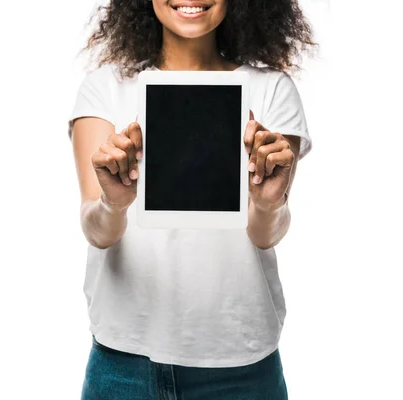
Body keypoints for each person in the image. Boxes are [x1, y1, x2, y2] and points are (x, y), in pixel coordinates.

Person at [67, 0, 316, 398]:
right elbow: (96, 230)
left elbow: (265, 233)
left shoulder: (271, 89)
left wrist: (269, 203)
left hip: (241, 366)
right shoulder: (106, 87)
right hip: (125, 366)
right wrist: (114, 203)